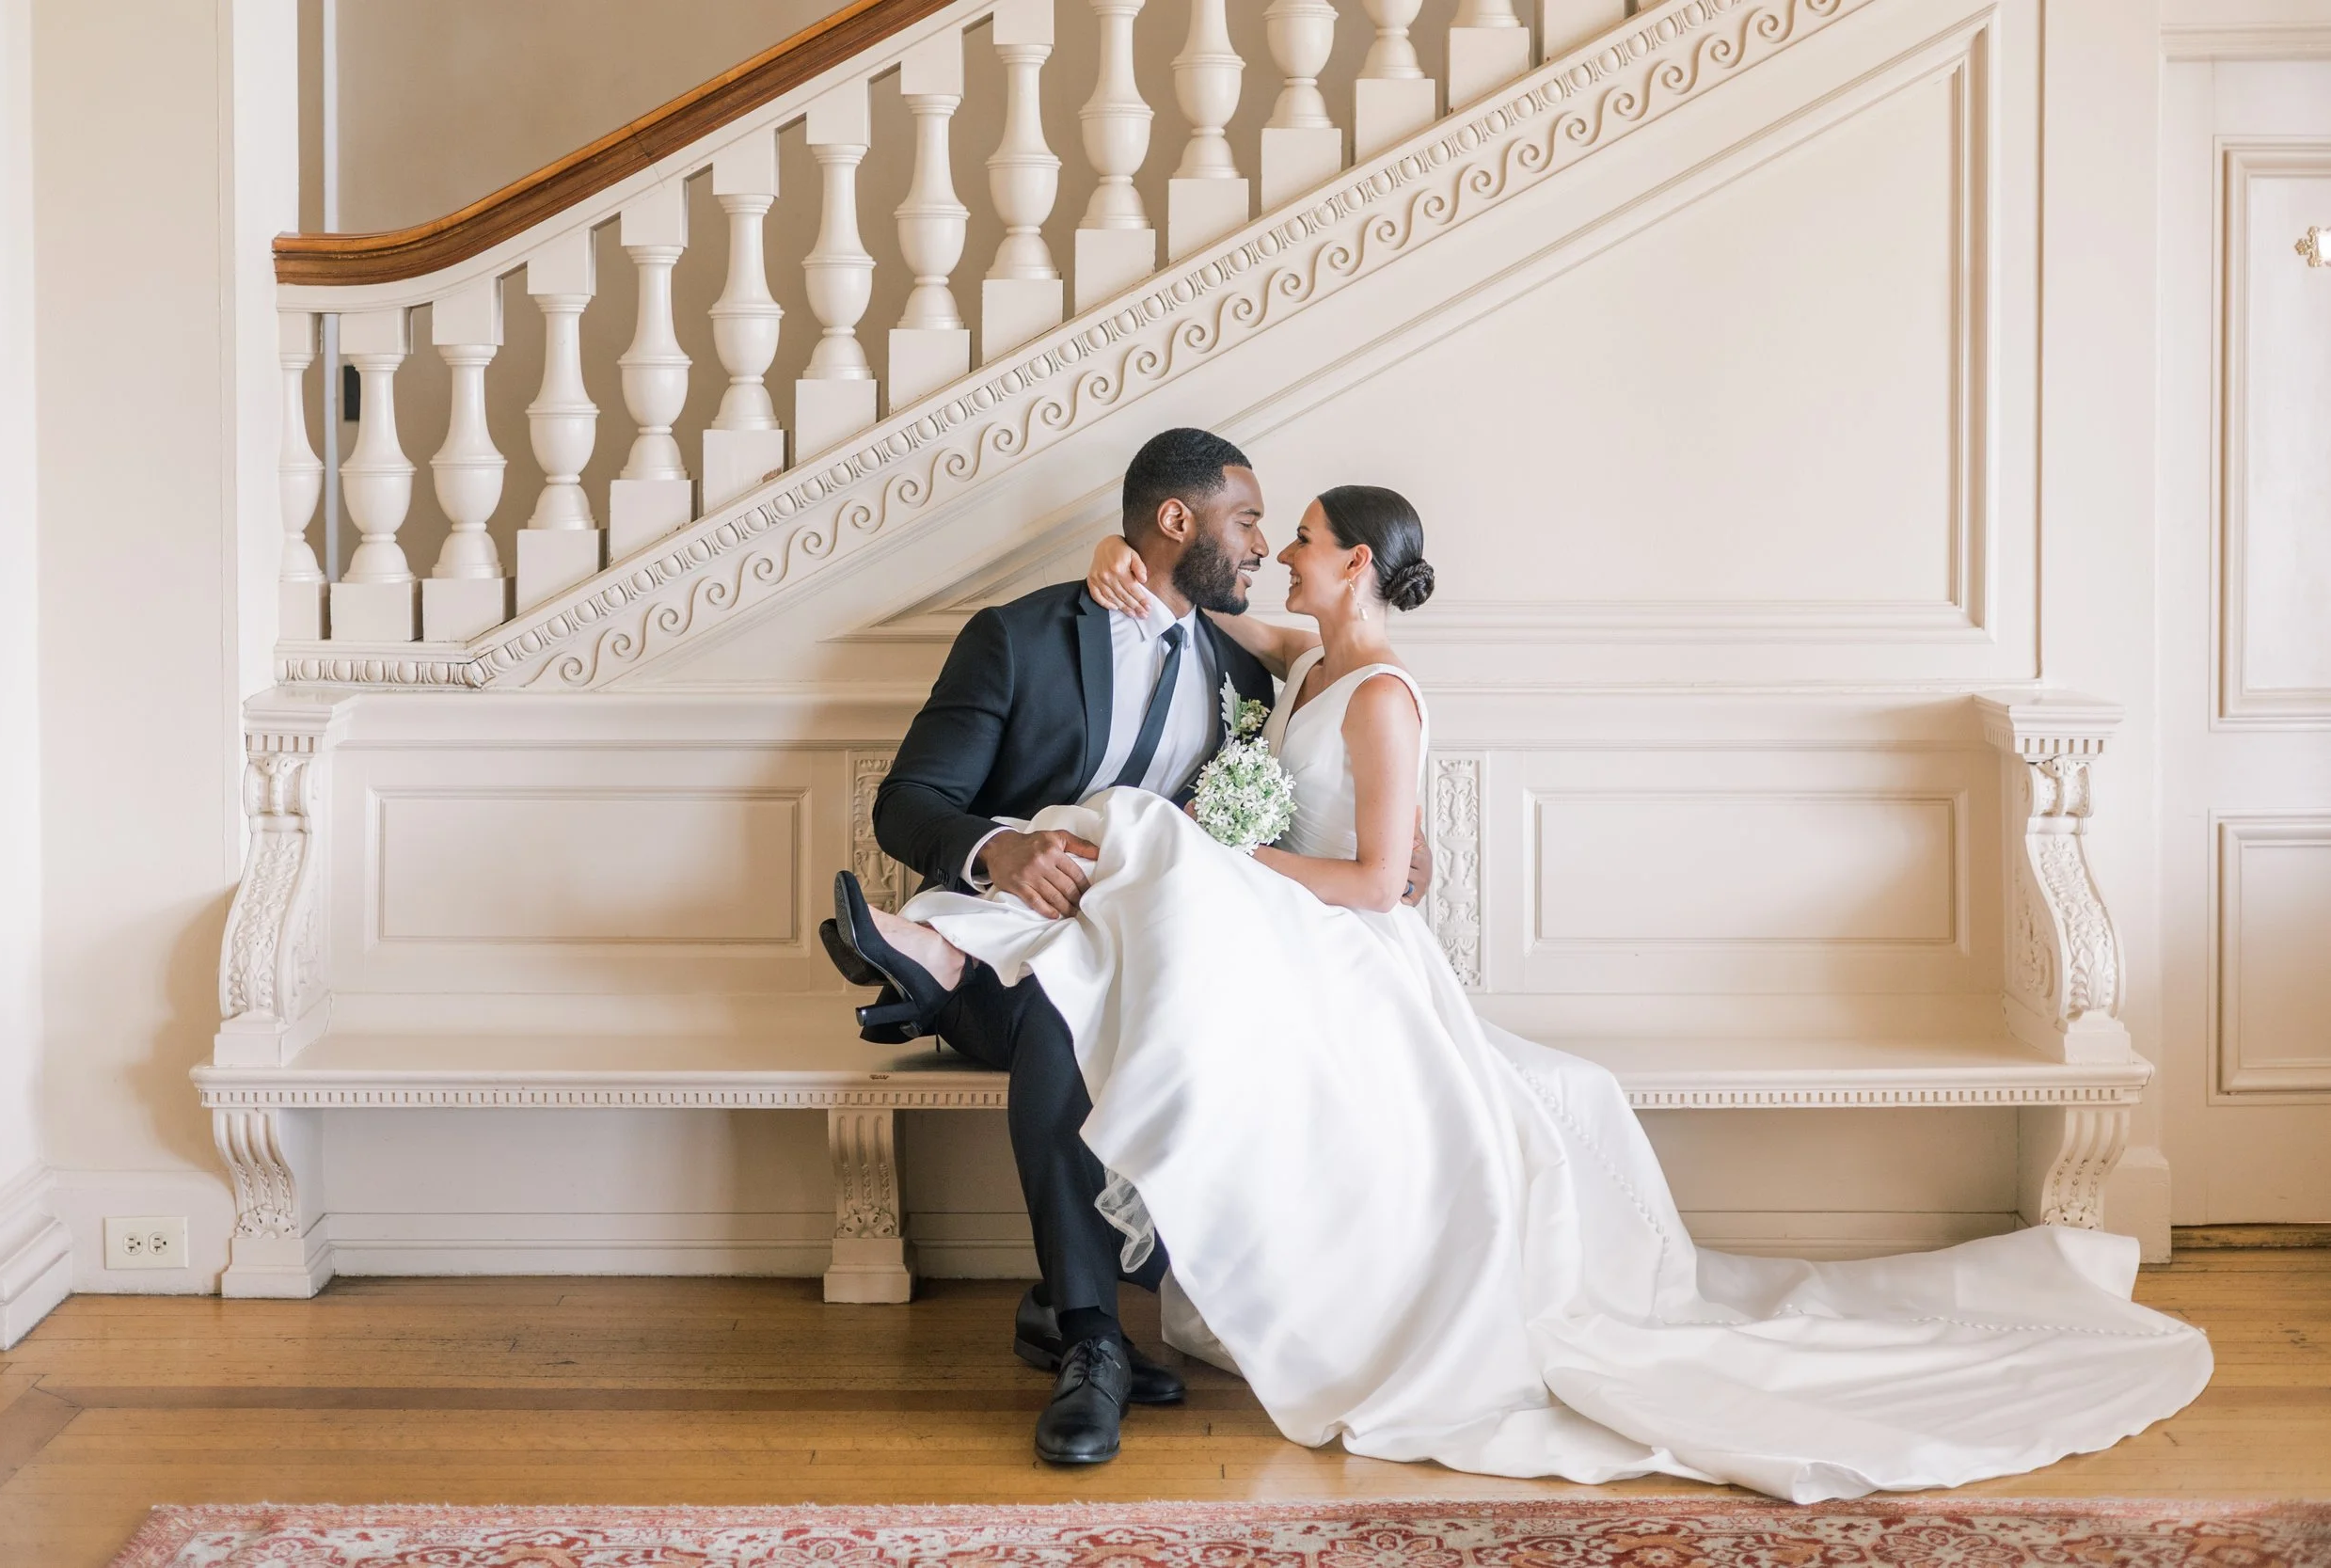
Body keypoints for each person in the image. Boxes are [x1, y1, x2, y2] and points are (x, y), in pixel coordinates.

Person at [828, 476, 2215, 1500]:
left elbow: (1377, 881)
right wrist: (1116, 561)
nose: (1280, 556)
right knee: (1133, 861)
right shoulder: (1308, 662)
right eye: (1266, 533)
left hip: (1347, 941)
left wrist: (1231, 860)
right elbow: (1201, 630)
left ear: (1349, 557)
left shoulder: (1382, 698)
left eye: (1297, 539)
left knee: (1140, 834)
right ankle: (968, 971)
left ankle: (950, 951)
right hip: (1284, 932)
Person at [821, 428, 1432, 1466]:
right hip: (1024, 959)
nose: (1265, 548)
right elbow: (906, 805)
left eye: (1284, 533)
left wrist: (1405, 836)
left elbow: (1333, 746)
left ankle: (1067, 1306)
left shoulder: (1245, 666)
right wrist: (1001, 849)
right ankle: (1095, 1344)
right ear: (1176, 522)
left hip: (1163, 951)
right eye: (1248, 522)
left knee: (1133, 998)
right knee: (1074, 998)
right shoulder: (1017, 637)